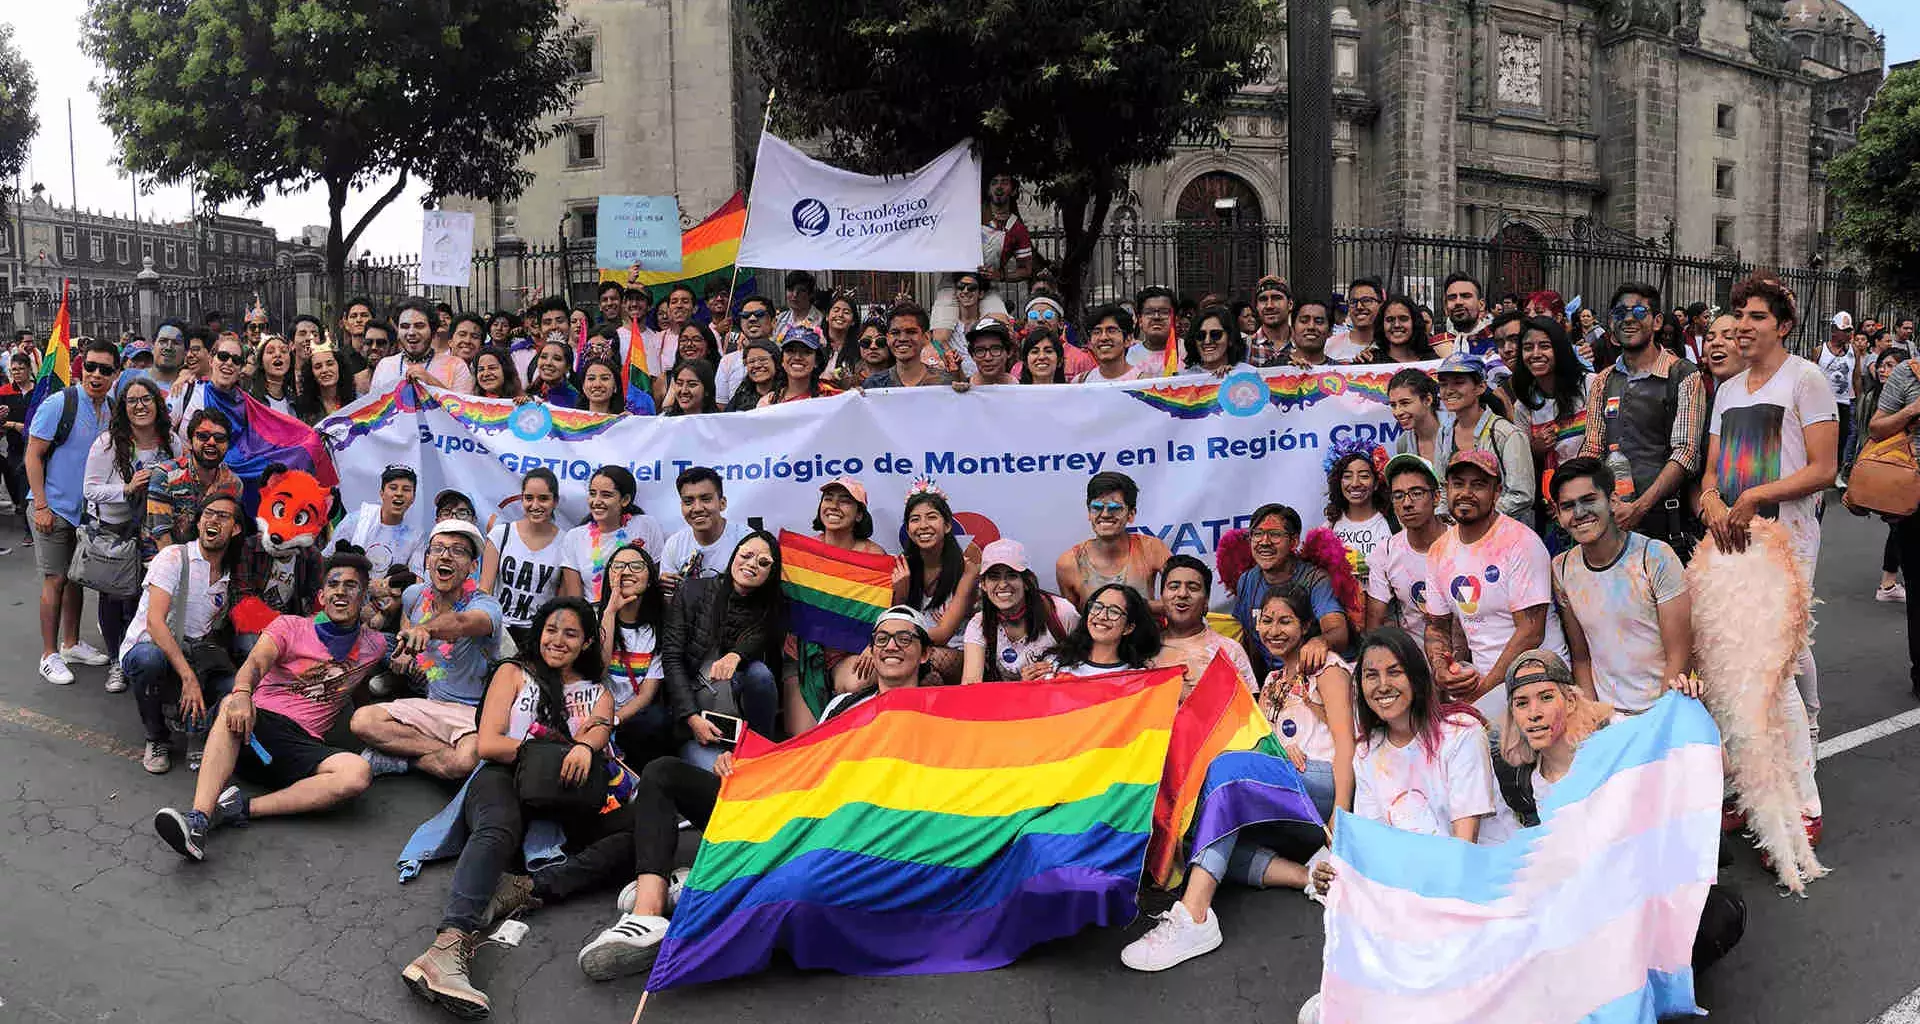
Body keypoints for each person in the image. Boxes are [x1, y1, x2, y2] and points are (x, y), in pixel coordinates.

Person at [398, 597, 639, 1015]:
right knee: (499, 826)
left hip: (563, 800)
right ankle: (447, 948)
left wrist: (584, 747)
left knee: (638, 832)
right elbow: (490, 743)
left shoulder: (599, 694)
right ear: (538, 632)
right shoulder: (513, 673)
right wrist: (551, 750)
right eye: (551, 630)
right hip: (502, 778)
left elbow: (597, 736)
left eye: (570, 633)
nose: (558, 640)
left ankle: (525, 889)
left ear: (585, 644)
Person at [1119, 584, 1355, 973]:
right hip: (1281, 794)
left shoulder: (1326, 668)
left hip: (1322, 787)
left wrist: (1339, 822)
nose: (1274, 630)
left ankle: (1194, 914)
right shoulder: (1272, 684)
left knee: (1227, 768)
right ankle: (1306, 876)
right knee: (1196, 835)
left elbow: (1349, 747)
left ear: (1307, 626)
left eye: (1285, 621)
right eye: (1266, 621)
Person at [151, 546, 387, 861]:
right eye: (333, 585)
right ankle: (198, 820)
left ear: (363, 598)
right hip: (255, 729)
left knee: (357, 772)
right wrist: (244, 694)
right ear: (320, 596)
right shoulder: (290, 626)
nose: (341, 592)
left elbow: (359, 690)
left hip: (302, 747)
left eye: (351, 586)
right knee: (230, 705)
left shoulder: (375, 645)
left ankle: (239, 809)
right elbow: (255, 663)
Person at [1701, 273, 1837, 734]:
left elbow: (1823, 470)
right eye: (1739, 315)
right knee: (1747, 637)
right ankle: (1762, 733)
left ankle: (1808, 724)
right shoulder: (1728, 390)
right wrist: (1711, 500)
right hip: (1736, 537)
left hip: (1789, 536)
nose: (1743, 325)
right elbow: (1712, 469)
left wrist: (1756, 495)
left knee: (1786, 638)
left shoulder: (1806, 379)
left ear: (1783, 326)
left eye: (1757, 316)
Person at [350, 520, 504, 780]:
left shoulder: (487, 606)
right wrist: (405, 652)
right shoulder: (414, 595)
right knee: (362, 721)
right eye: (438, 549)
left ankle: (402, 759)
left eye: (457, 550)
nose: (445, 556)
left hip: (472, 713)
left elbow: (461, 623)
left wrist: (427, 630)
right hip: (429, 705)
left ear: (473, 566)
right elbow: (409, 629)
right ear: (427, 559)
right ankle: (439, 755)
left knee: (464, 761)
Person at [1422, 449, 1568, 721]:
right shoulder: (1439, 551)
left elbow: (1530, 633)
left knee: (1465, 736)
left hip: (1538, 677)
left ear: (1497, 492)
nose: (1466, 493)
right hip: (1483, 684)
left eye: (1478, 485)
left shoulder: (1520, 542)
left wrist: (1479, 695)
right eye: (1458, 484)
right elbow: (1436, 626)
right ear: (1445, 490)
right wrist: (1441, 670)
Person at [1546, 456, 1691, 712]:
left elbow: (1679, 655)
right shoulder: (1562, 568)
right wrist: (1595, 720)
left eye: (1589, 500)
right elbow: (1582, 657)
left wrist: (1661, 721)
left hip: (1666, 709)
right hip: (1610, 720)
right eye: (1568, 506)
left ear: (1613, 501)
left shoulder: (1655, 556)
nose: (1579, 513)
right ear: (1557, 515)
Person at [1578, 282, 1708, 557]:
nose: (1628, 319)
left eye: (1638, 311)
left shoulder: (1683, 376)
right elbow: (1592, 448)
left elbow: (1685, 454)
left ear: (1657, 321)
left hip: (1667, 524)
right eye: (1619, 313)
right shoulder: (1603, 380)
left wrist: (1640, 507)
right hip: (1612, 520)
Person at [120, 495, 243, 774]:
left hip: (190, 653)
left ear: (235, 529)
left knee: (234, 685)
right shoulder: (174, 557)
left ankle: (194, 728)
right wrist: (188, 679)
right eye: (208, 514)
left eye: (223, 516)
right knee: (149, 660)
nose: (213, 520)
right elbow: (154, 623)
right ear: (199, 522)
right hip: (150, 648)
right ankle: (156, 736)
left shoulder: (229, 575)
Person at [662, 530, 786, 764]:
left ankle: (760, 754)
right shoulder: (692, 591)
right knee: (721, 780)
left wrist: (736, 655)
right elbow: (672, 658)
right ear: (734, 555)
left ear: (771, 573)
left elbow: (762, 636)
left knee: (760, 674)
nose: (751, 565)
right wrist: (691, 718)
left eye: (763, 562)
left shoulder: (771, 610)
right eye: (746, 555)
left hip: (743, 719)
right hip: (698, 718)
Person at [83, 375, 174, 692]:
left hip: (155, 533)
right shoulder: (108, 443)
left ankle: (139, 658)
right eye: (132, 400)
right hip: (117, 533)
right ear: (123, 407)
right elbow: (90, 489)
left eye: (146, 399)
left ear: (157, 404)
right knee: (114, 597)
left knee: (145, 599)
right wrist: (127, 488)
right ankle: (115, 661)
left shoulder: (171, 441)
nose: (140, 406)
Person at [1230, 503, 1349, 674]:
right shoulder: (1247, 580)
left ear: (1293, 542)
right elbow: (1251, 640)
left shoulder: (1315, 579)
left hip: (1312, 673)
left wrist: (1321, 641)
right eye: (1257, 534)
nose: (1264, 542)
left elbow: (1338, 631)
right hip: (1272, 680)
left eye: (1275, 535)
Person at [1432, 351, 1534, 522]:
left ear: (1480, 387)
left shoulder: (1507, 434)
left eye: (1458, 383)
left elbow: (1521, 495)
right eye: (1443, 384)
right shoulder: (1444, 433)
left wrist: (1476, 518)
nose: (1449, 391)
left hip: (1505, 535)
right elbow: (1443, 488)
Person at [960, 539, 1078, 684]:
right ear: (983, 585)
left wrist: (1056, 670)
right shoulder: (979, 623)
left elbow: (1088, 661)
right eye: (994, 577)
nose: (1003, 585)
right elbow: (971, 687)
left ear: (1026, 581)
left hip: (1060, 698)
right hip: (1008, 702)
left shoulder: (1061, 612)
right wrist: (1022, 685)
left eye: (1012, 575)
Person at [893, 486, 978, 684]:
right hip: (912, 649)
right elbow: (895, 617)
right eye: (915, 519)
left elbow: (942, 635)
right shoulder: (902, 567)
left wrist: (896, 638)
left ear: (947, 525)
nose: (923, 526)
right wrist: (901, 594)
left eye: (931, 517)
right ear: (908, 529)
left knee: (908, 660)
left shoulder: (966, 569)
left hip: (955, 654)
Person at [597, 542, 673, 765]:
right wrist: (610, 613)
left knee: (657, 720)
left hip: (631, 718)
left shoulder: (658, 630)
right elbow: (597, 671)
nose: (626, 571)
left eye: (636, 566)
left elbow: (646, 695)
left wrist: (615, 720)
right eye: (618, 566)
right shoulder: (593, 619)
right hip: (594, 711)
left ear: (650, 579)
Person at [1055, 471, 1172, 610]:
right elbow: (1072, 621)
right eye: (1097, 508)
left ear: (1131, 514)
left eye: (1114, 508)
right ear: (1089, 513)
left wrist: (1137, 608)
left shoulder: (1151, 548)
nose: (1105, 514)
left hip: (1146, 631)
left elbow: (1182, 603)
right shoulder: (1069, 563)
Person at [479, 468, 565, 652]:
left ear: (555, 501)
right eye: (528, 498)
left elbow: (564, 602)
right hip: (499, 633)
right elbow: (484, 591)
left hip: (539, 638)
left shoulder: (566, 543)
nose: (535, 505)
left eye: (543, 498)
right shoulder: (501, 534)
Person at [559, 465, 669, 600]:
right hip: (593, 617)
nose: (596, 501)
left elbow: (656, 579)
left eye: (606, 495)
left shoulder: (646, 525)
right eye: (592, 493)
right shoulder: (574, 537)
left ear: (625, 500)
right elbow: (575, 600)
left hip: (638, 615)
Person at [1153, 554, 1256, 693]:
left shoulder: (1228, 651)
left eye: (1193, 587)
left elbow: (1247, 710)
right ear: (1162, 597)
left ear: (1206, 601)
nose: (1182, 594)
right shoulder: (1145, 649)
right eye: (1174, 586)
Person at [143, 408, 242, 553]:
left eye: (219, 438)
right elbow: (161, 536)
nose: (212, 442)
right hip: (161, 560)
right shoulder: (165, 475)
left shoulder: (234, 485)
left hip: (207, 561)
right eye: (203, 436)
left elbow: (227, 536)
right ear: (190, 441)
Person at [1366, 454, 1444, 638]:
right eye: (1398, 496)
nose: (1407, 503)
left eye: (1417, 493)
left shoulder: (1463, 544)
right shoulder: (1385, 552)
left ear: (1436, 497)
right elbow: (1374, 628)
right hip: (1413, 661)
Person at [658, 466, 750, 599]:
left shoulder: (746, 539)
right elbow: (670, 602)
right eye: (688, 501)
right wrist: (666, 589)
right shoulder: (674, 544)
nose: (697, 508)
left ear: (722, 503)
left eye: (706, 499)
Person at [329, 464, 422, 577]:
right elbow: (327, 559)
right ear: (382, 493)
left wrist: (387, 587)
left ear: (413, 498)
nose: (399, 494)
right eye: (393, 488)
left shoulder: (415, 537)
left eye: (406, 490)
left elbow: (417, 579)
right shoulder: (355, 521)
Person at [1053, 583, 1163, 676]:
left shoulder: (1138, 677)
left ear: (1128, 628)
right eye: (1097, 607)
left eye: (1114, 611)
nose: (1101, 616)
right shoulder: (1056, 666)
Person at [370, 299, 476, 394]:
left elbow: (463, 413)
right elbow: (373, 411)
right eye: (405, 326)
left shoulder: (456, 366)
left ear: (433, 330)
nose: (411, 332)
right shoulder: (384, 366)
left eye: (419, 326)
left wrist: (431, 382)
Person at [166, 331, 247, 449]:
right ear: (211, 360)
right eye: (223, 357)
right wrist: (185, 454)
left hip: (236, 466)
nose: (229, 363)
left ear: (240, 368)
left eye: (236, 360)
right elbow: (163, 430)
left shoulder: (246, 405)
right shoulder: (185, 390)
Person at [1324, 447, 1392, 586]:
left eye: (1364, 476)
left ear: (1376, 483)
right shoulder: (1329, 527)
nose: (1355, 484)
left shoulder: (1394, 524)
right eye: (1347, 476)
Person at [862, 302, 955, 389]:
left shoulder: (945, 383)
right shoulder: (873, 385)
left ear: (926, 337)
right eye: (895, 332)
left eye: (911, 332)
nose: (902, 339)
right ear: (888, 338)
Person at [0, 352, 34, 552]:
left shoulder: (38, 392)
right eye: (14, 370)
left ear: (29, 369)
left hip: (33, 446)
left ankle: (30, 529)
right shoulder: (4, 392)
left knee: (28, 485)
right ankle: (22, 516)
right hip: (14, 447)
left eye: (21, 369)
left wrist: (14, 424)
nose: (18, 373)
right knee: (15, 483)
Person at [716, 295, 777, 403]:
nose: (752, 319)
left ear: (773, 321)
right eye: (745, 315)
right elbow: (722, 406)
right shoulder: (727, 361)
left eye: (759, 314)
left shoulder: (784, 356)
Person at [1819, 312, 1857, 483]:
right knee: (1822, 438)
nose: (1848, 334)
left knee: (1842, 438)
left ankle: (1836, 473)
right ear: (1834, 330)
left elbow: (1856, 376)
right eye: (1845, 330)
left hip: (1844, 402)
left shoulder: (1852, 351)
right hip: (1824, 403)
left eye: (1849, 330)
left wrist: (1857, 399)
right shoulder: (1820, 351)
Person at [1433, 272, 1495, 363]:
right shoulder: (1433, 347)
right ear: (1446, 308)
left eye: (1466, 296)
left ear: (1481, 305)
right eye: (1452, 297)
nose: (1458, 302)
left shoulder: (1498, 343)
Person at [1387, 367, 1443, 466]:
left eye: (1405, 403)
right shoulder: (1403, 443)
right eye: (1393, 405)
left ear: (1427, 400)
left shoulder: (1457, 432)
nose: (1397, 412)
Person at [1077, 305, 1147, 383]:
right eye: (1097, 332)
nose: (1103, 338)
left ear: (1128, 339)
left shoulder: (1145, 383)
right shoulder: (1081, 382)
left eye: (1111, 331)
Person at [294, 341, 359, 422]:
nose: (324, 370)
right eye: (318, 367)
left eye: (330, 364)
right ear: (311, 373)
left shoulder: (357, 401)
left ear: (340, 366)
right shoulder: (301, 408)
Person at [1184, 305, 1249, 376]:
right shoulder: (1181, 381)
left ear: (1230, 339)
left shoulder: (1248, 374)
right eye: (1201, 335)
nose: (1207, 341)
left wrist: (1234, 378)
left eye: (1215, 334)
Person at [1127, 286, 1179, 372]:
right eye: (1149, 312)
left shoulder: (1187, 353)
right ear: (1140, 320)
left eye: (1164, 312)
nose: (1156, 317)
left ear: (1175, 319)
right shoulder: (1128, 356)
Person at [1330, 277, 1382, 362]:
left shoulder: (1391, 347)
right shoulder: (1330, 345)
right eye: (1353, 301)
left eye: (1366, 300)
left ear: (1380, 305)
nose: (1359, 307)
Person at [525, 338, 582, 408]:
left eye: (557, 359)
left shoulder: (576, 400)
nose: (548, 363)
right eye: (544, 357)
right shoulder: (529, 393)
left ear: (568, 367)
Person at [248, 334, 296, 415]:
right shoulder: (250, 400)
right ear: (261, 362)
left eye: (284, 351)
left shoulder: (295, 402)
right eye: (270, 351)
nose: (278, 354)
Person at [1248, 275, 1292, 362]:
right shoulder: (1243, 348)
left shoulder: (1304, 345)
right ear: (1256, 306)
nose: (1269, 306)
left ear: (1290, 304)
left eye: (1277, 298)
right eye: (1263, 299)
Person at [1287, 299, 1340, 367]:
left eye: (1319, 322)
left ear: (1330, 331)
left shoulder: (1343, 372)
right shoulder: (1273, 368)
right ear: (1292, 330)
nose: (1311, 327)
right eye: (1304, 321)